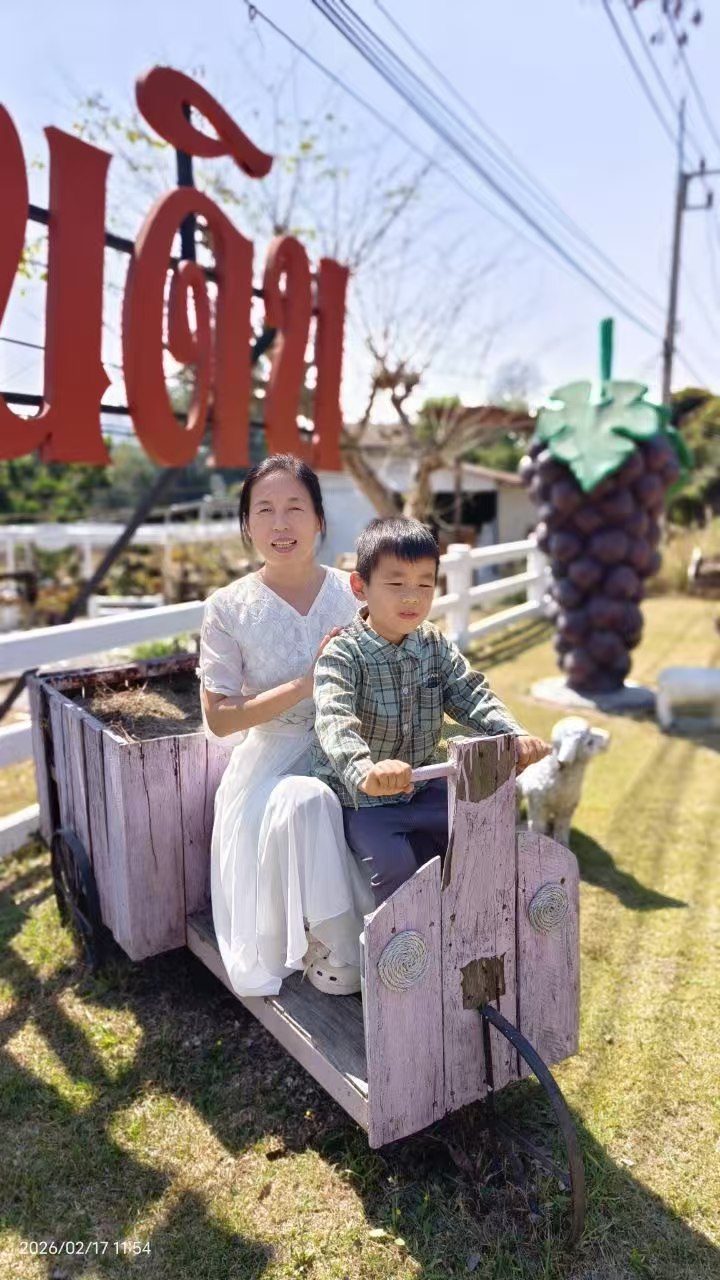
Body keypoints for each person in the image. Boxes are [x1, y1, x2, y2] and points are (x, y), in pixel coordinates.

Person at [198, 453, 374, 999]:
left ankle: (413, 931)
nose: (281, 524)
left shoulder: (357, 593)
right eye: (264, 510)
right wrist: (304, 686)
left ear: (319, 519)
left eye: (295, 508)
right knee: (306, 800)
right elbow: (219, 717)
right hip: (271, 768)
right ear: (246, 524)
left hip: (354, 748)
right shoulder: (228, 607)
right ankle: (339, 949)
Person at [311, 517, 551, 906]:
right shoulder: (343, 653)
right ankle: (400, 940)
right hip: (364, 800)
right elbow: (334, 720)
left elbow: (471, 694)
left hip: (424, 786)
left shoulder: (433, 643)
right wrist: (365, 770)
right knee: (395, 864)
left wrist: (514, 734)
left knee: (481, 830)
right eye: (396, 584)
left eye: (425, 585)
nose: (412, 597)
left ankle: (473, 919)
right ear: (360, 587)